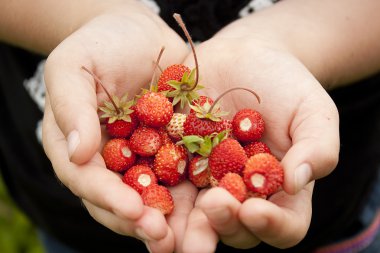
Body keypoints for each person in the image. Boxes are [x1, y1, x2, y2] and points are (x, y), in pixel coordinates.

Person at [0, 0, 379, 252]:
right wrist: (88, 18)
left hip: (335, 211)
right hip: (73, 216)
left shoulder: (202, 134)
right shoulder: (156, 128)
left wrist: (290, 41)